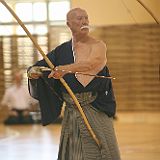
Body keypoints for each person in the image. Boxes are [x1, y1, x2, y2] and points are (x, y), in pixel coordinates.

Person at [27, 8, 121, 160]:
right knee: (73, 154)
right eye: (79, 18)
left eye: (86, 17)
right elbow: (40, 67)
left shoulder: (98, 45)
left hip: (94, 108)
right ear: (69, 24)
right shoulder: (61, 51)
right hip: (72, 110)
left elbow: (92, 63)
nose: (84, 21)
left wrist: (64, 69)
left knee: (104, 150)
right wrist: (33, 72)